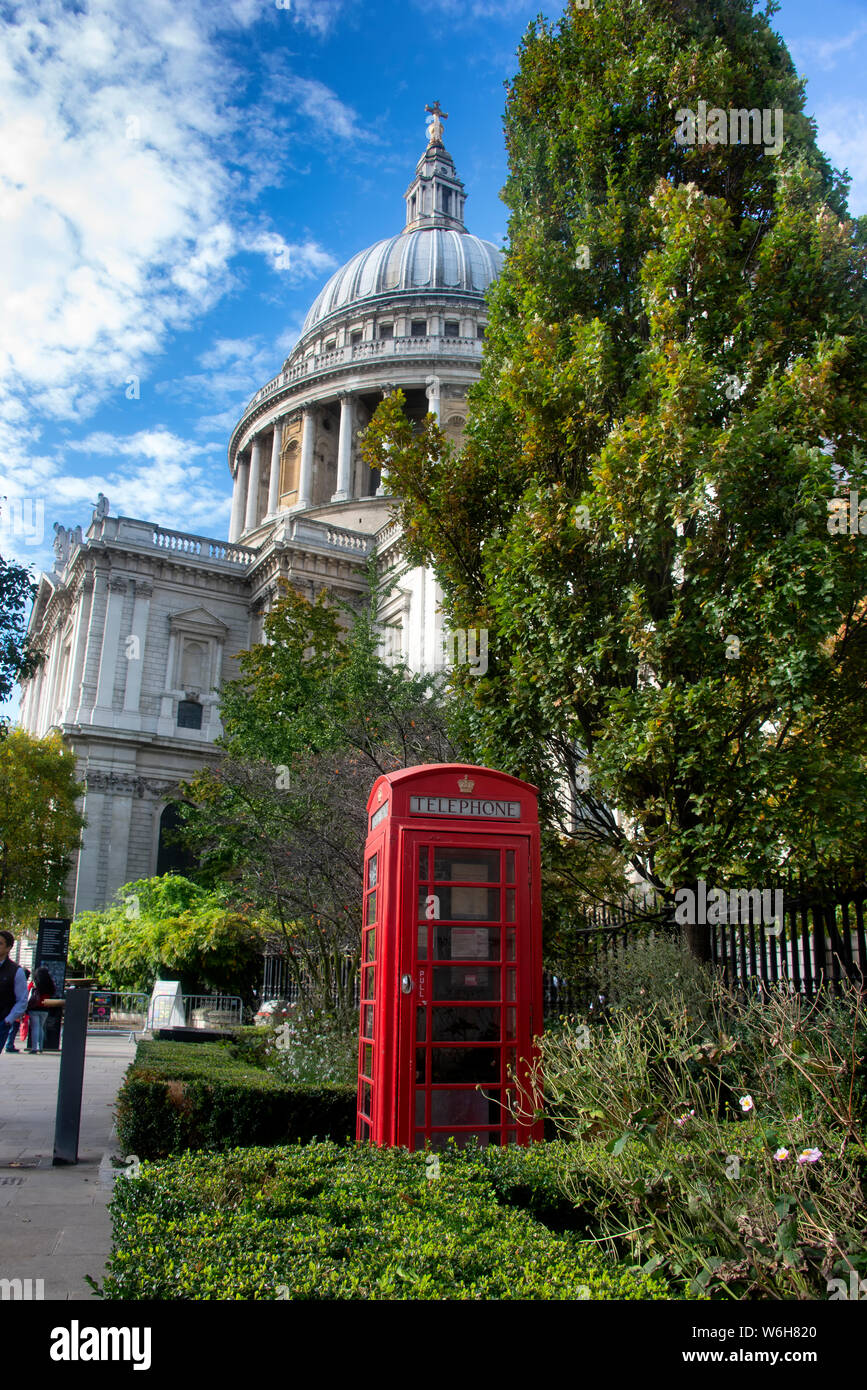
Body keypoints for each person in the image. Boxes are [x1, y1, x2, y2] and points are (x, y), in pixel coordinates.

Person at [0, 931, 29, 1056]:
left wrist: (8, 1020)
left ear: (8, 948)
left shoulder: (15, 971)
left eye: (0, 944)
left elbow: (22, 1000)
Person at [26, 967, 56, 1053]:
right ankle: (41, 1047)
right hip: (45, 1008)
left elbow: (29, 993)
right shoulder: (50, 984)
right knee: (41, 1027)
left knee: (35, 1027)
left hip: (35, 1008)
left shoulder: (35, 983)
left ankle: (34, 1048)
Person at [4, 967, 29, 1052]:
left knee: (12, 1029)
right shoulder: (21, 985)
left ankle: (9, 1044)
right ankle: (9, 1045)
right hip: (14, 1011)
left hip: (11, 1011)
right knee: (13, 1029)